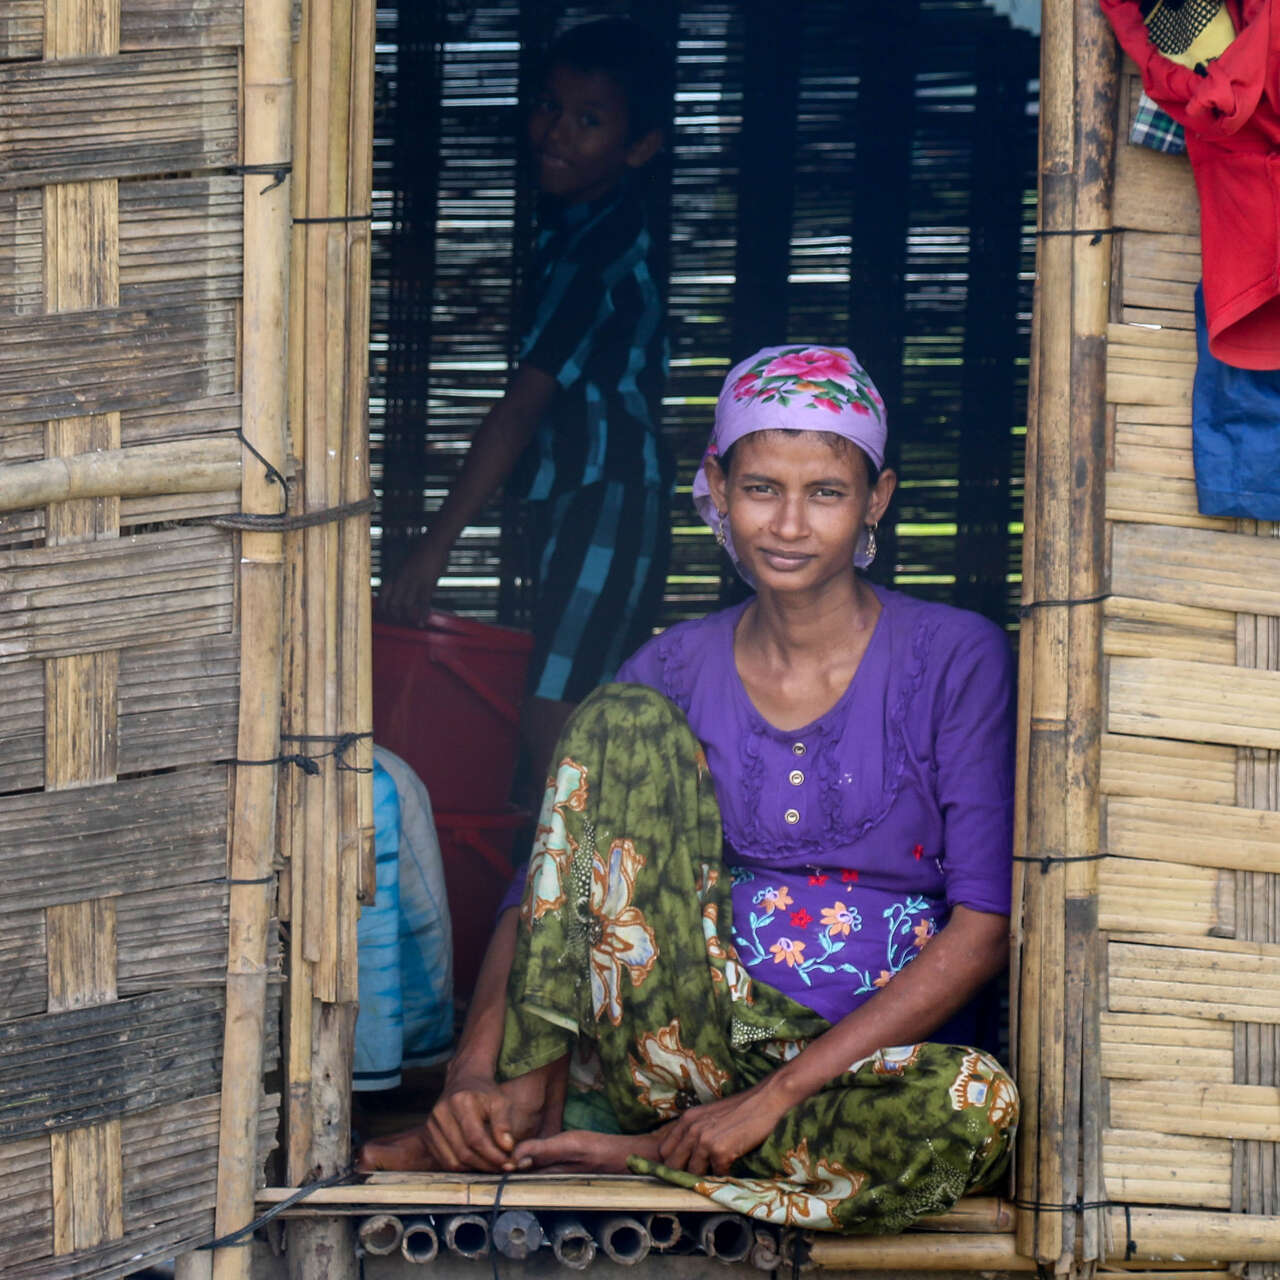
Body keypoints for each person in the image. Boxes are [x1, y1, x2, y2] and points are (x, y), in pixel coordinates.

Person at [359, 345, 1018, 1235]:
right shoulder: (669, 667)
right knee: (615, 719)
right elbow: (543, 895)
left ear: (878, 499)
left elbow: (983, 929)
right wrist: (471, 1072)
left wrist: (774, 1096)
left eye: (825, 492)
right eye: (760, 488)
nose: (789, 523)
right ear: (715, 485)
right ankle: (516, 1110)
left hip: (863, 1068)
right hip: (674, 1047)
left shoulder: (957, 657)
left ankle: (633, 1151)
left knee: (976, 1106)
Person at [379, 18, 674, 782]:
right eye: (550, 105)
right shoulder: (573, 231)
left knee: (558, 715)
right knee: (560, 704)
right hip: (581, 495)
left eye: (589, 120)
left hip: (610, 497)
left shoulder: (599, 252)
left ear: (640, 146)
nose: (557, 131)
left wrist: (434, 548)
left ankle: (578, 898)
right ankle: (565, 893)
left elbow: (519, 409)